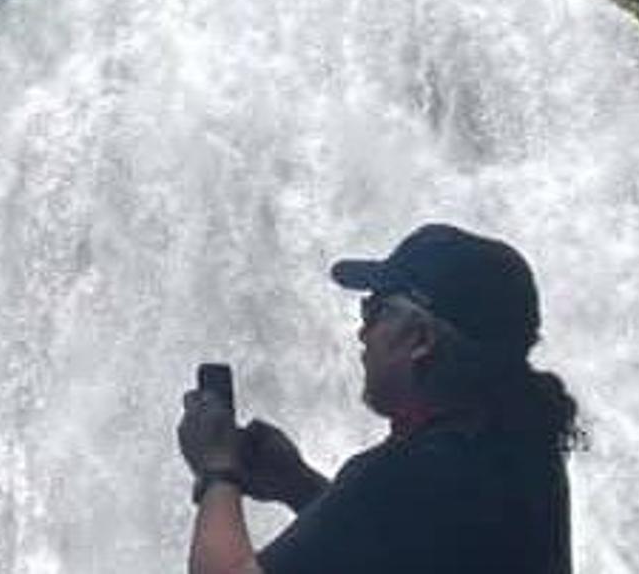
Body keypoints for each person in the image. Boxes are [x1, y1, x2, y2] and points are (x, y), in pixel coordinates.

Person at [176, 223, 577, 574]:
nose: (362, 334)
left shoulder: (411, 471)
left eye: (374, 311)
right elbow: (403, 539)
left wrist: (217, 472)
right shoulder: (523, 451)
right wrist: (297, 484)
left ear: (420, 339)